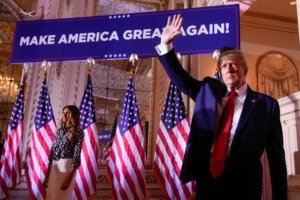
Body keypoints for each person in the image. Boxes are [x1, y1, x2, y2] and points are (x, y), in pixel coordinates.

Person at [155, 14, 287, 200]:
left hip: (245, 185)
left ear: (244, 70)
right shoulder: (207, 91)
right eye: (224, 65)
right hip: (209, 179)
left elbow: (277, 159)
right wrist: (166, 45)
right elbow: (180, 78)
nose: (229, 68)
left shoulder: (267, 105)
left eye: (234, 64)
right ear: (220, 71)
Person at [42, 105, 84, 200]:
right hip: (54, 166)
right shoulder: (59, 131)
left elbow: (77, 156)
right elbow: (52, 154)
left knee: (60, 197)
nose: (64, 115)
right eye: (63, 112)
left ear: (73, 116)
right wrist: (46, 177)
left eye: (67, 113)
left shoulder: (78, 132)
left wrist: (69, 179)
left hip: (66, 167)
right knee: (50, 197)